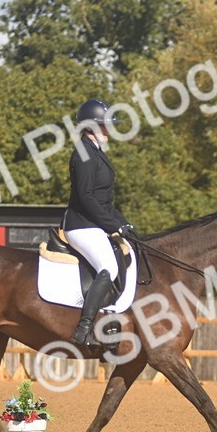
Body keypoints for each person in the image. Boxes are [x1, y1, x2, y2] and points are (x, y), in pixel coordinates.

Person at [62, 99, 138, 348]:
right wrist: (111, 225)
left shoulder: (94, 151)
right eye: (105, 125)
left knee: (125, 254)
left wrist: (123, 224)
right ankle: (85, 328)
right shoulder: (83, 153)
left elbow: (104, 200)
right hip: (80, 225)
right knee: (108, 265)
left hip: (94, 223)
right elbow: (86, 197)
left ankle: (113, 317)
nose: (109, 130)